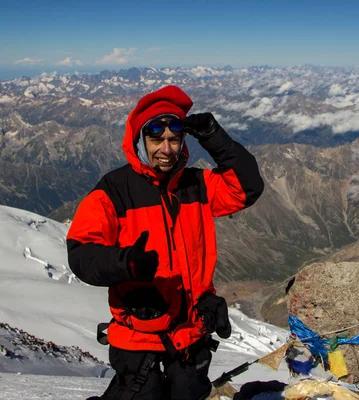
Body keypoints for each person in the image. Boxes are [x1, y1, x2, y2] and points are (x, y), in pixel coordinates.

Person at [66, 85, 264, 400]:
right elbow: (81, 253)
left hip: (191, 336)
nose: (167, 149)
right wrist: (126, 264)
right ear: (140, 142)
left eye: (174, 140)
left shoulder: (196, 184)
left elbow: (247, 188)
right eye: (156, 139)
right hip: (138, 340)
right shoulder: (113, 191)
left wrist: (215, 137)